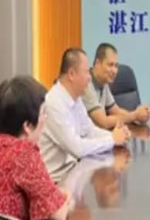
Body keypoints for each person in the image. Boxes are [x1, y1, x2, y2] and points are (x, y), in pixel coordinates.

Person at [0, 75, 74, 220]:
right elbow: (58, 214)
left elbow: (42, 191)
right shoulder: (23, 153)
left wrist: (54, 196)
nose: (45, 118)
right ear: (27, 126)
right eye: (43, 112)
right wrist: (68, 202)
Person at [41, 48, 129, 180]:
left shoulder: (75, 98)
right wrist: (112, 140)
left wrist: (117, 136)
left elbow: (89, 131)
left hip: (74, 171)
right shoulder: (54, 104)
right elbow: (76, 148)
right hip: (56, 181)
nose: (89, 78)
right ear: (72, 74)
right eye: (86, 71)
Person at [83, 42, 150, 129]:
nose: (114, 71)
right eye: (110, 65)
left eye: (116, 66)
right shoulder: (85, 84)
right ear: (98, 63)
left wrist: (139, 117)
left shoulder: (104, 82)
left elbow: (115, 111)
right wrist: (135, 115)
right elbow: (104, 122)